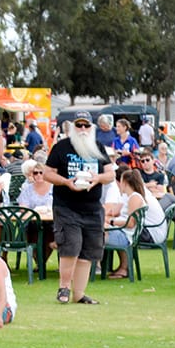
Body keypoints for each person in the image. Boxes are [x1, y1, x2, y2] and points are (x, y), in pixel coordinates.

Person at [42, 111, 114, 305]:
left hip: (92, 207)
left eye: (86, 126)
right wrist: (66, 182)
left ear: (92, 128)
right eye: (79, 125)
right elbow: (47, 173)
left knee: (89, 251)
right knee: (70, 246)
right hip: (67, 206)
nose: (83, 129)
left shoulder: (98, 148)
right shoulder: (61, 147)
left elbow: (110, 174)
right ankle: (64, 287)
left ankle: (79, 293)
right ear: (73, 127)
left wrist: (97, 179)